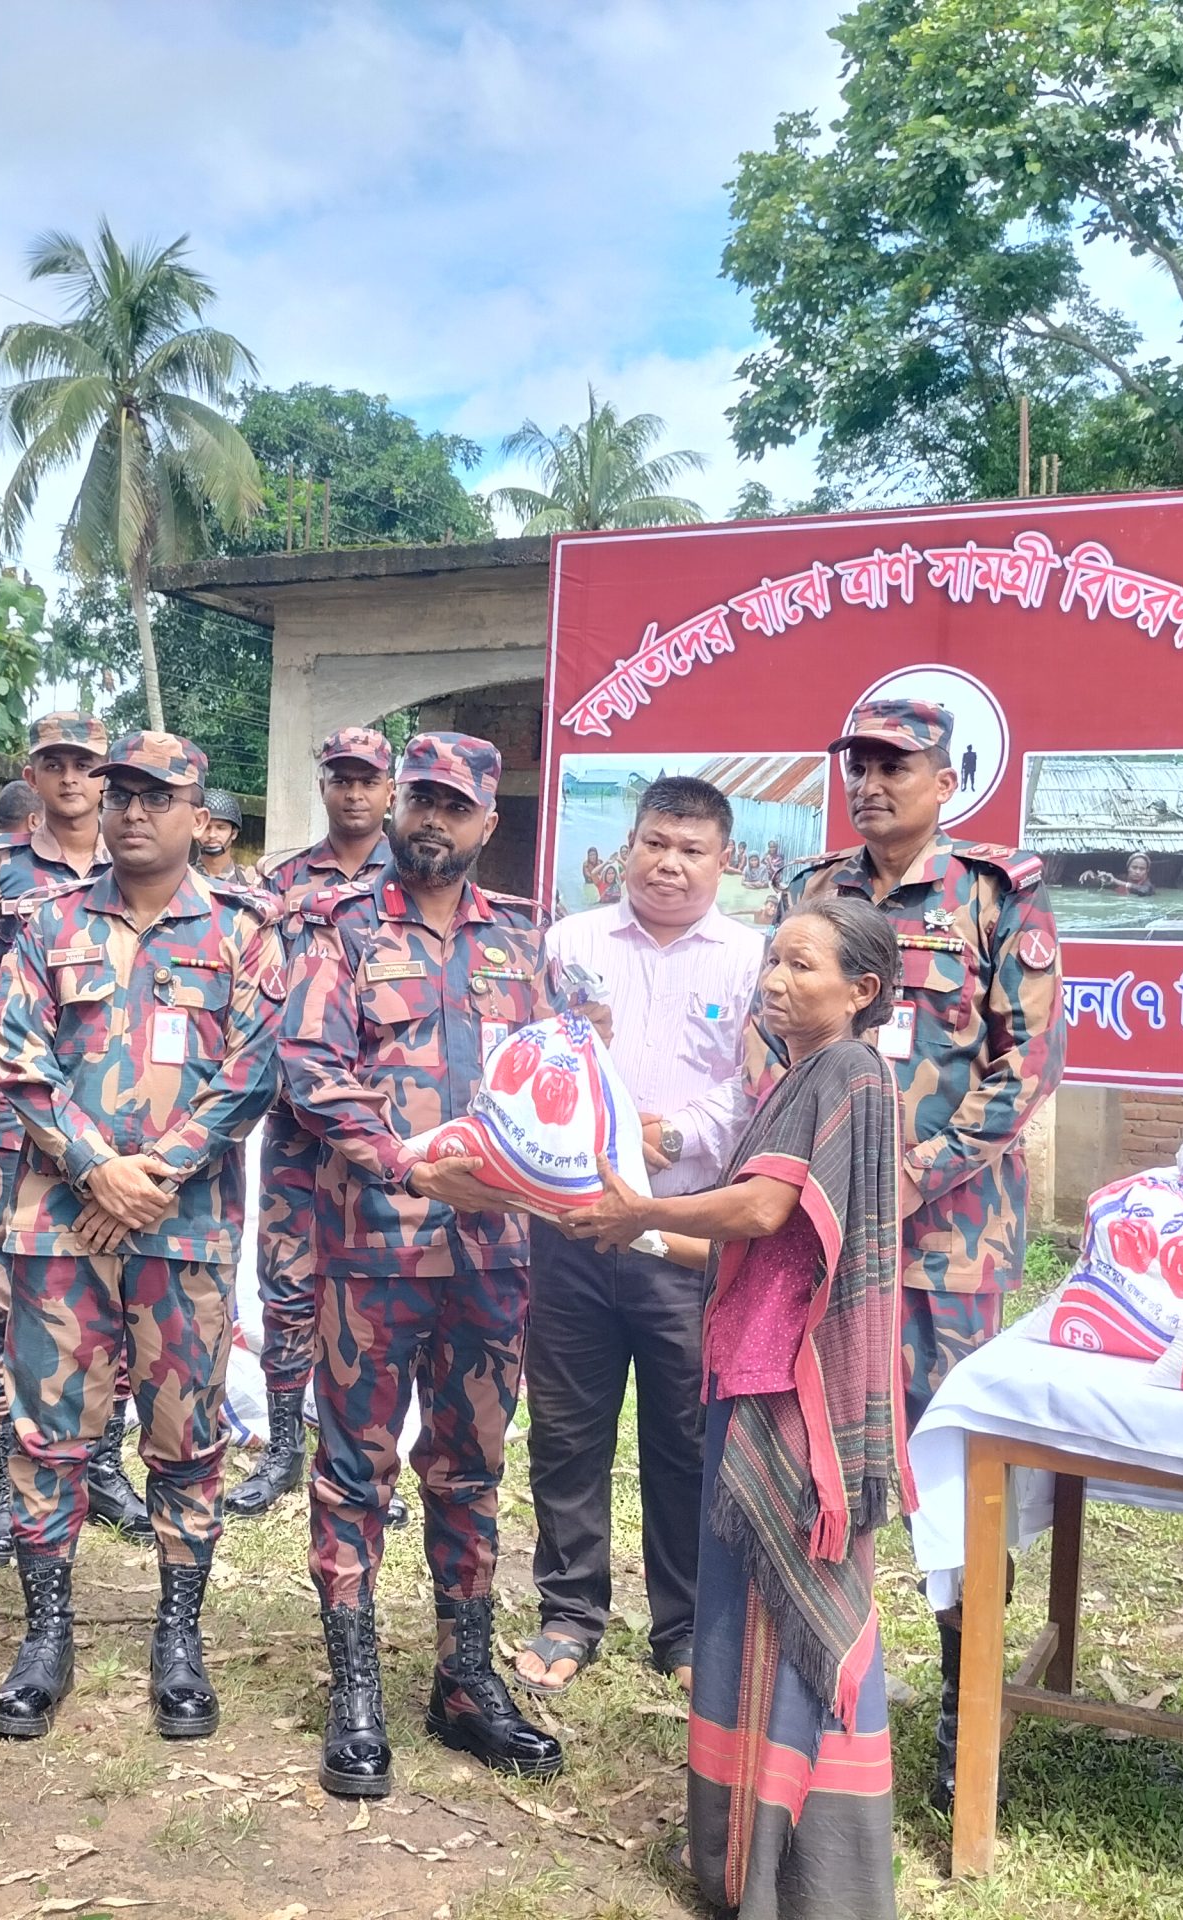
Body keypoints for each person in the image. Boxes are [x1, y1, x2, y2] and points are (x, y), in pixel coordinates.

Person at [565, 895, 905, 1920]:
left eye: (804, 966)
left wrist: (644, 1207)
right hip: (747, 1370)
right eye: (772, 962)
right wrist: (635, 1236)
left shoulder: (845, 1073)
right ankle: (743, 1863)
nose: (776, 980)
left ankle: (805, 1879)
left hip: (786, 1390)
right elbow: (744, 1248)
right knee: (741, 1621)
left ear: (862, 990)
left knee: (786, 1622)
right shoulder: (800, 1078)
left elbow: (759, 1208)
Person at [774, 695, 1062, 1814]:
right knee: (825, 1466)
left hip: (949, 1248)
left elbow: (1024, 1064)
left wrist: (915, 1168)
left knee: (947, 1484)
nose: (872, 783)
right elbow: (781, 1034)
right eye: (858, 765)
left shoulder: (993, 898)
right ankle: (831, 1695)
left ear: (947, 781)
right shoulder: (817, 896)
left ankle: (960, 1711)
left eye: (896, 766)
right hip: (829, 1237)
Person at [280, 731, 562, 1796]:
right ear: (396, 808)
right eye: (419, 800)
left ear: (489, 822)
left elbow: (554, 1083)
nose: (430, 820)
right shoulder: (342, 931)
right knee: (354, 1469)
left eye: (455, 805)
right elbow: (309, 1065)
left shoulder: (520, 948)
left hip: (494, 1255)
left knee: (472, 1469)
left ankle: (463, 1681)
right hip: (373, 1250)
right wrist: (398, 1160)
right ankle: (354, 1691)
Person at [0, 730, 280, 1742]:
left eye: (158, 796)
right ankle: (46, 1640)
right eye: (120, 794)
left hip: (181, 1232)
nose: (132, 811)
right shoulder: (46, 922)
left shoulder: (243, 931)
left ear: (199, 814)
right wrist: (93, 1166)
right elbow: (16, 1056)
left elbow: (251, 1070)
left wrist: (156, 1173)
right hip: (57, 1226)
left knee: (185, 1438)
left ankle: (178, 1639)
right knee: (49, 1435)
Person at [512, 776, 763, 1698]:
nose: (669, 863)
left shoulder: (751, 958)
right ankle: (570, 1609)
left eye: (691, 849)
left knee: (686, 1435)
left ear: (723, 861)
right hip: (573, 1227)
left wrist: (661, 1139)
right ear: (629, 845)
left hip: (682, 1233)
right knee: (569, 1429)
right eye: (655, 842)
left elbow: (749, 1089)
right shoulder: (570, 944)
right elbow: (538, 1058)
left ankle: (687, 1624)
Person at [0, 713, 124, 1569]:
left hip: (110, 1115)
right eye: (54, 765)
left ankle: (104, 1463)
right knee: (1, 1299)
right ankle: (1, 1480)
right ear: (33, 769)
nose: (70, 781)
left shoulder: (135, 864)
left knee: (121, 1289)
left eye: (86, 766)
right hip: (7, 1114)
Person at [231, 724, 396, 1522]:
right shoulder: (278, 880)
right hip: (297, 1120)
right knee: (288, 1284)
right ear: (324, 784)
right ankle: (284, 1451)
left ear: (390, 789)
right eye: (341, 778)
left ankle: (360, 1453)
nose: (354, 792)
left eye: (368, 779)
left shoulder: (417, 879)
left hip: (387, 1126)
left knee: (378, 1291)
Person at [196, 788, 255, 883]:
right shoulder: (179, 878)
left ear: (234, 833)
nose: (212, 835)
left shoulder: (248, 883)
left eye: (221, 828)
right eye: (206, 827)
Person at [1080, 852, 1156, 897]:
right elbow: (1101, 883)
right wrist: (1091, 876)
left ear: (1147, 870)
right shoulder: (1121, 878)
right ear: (1128, 868)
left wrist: (1116, 881)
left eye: (1142, 869)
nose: (1137, 871)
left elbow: (1143, 891)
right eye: (1134, 868)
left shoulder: (1148, 885)